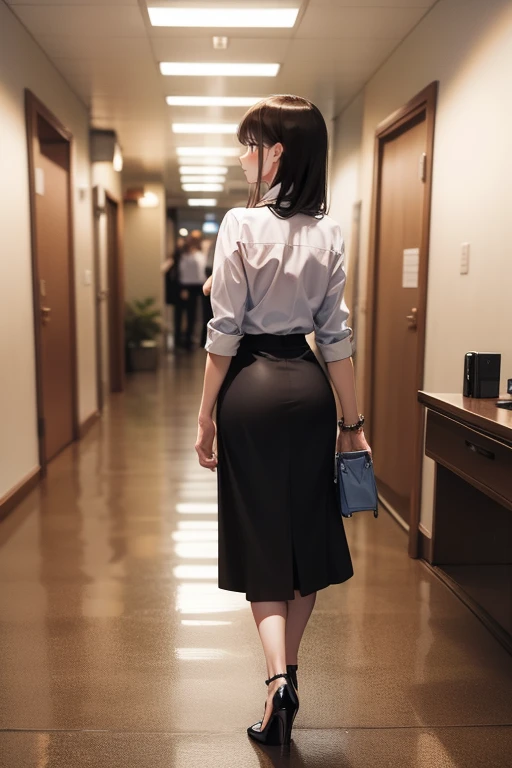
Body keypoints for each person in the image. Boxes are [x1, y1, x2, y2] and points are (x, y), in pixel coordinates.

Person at [194, 95, 372, 747]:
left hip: (252, 391)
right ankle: (289, 670)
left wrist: (205, 417)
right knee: (304, 535)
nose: (243, 156)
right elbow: (337, 337)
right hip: (309, 388)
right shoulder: (330, 233)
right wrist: (351, 423)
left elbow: (225, 333)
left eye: (250, 144)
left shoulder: (240, 226)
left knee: (260, 537)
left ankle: (276, 681)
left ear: (278, 154)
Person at [174, 233, 206, 350]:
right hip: (186, 285)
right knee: (184, 314)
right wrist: (182, 287)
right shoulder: (183, 254)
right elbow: (181, 271)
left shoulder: (200, 254)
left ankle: (193, 339)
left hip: (199, 285)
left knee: (195, 314)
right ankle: (182, 339)